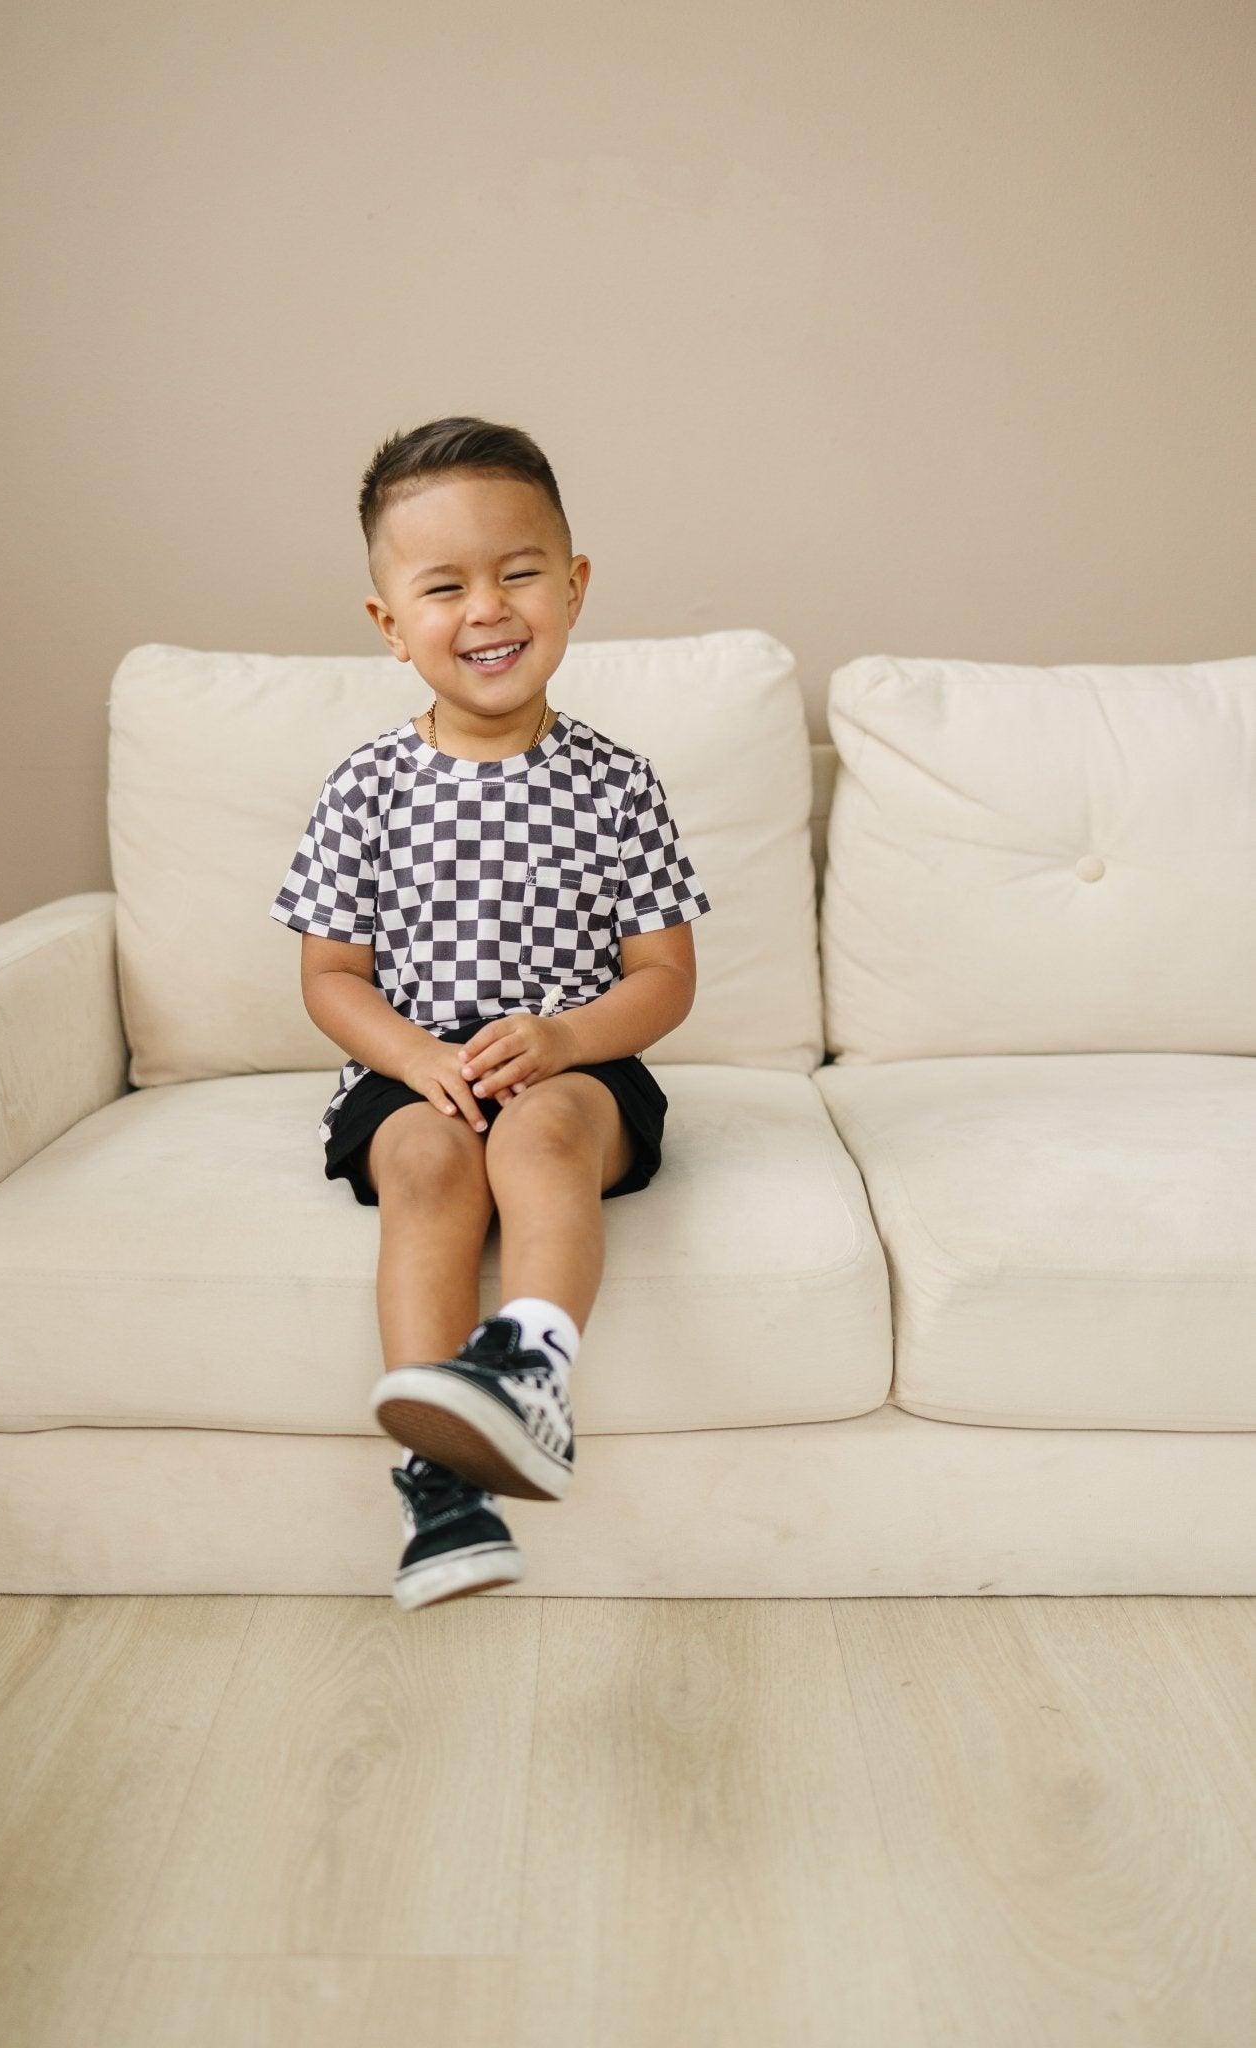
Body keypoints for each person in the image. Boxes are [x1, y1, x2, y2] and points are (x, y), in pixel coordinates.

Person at [270, 415, 712, 1610]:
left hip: (577, 1066)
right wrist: (415, 1058)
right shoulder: (367, 786)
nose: (487, 609)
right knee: (425, 1161)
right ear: (390, 622)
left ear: (573, 585)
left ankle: (530, 1372)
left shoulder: (617, 782)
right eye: (444, 586)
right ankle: (441, 1485)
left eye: (519, 572)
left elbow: (665, 977)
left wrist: (565, 1038)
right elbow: (331, 975)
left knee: (541, 1132)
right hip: (413, 1067)